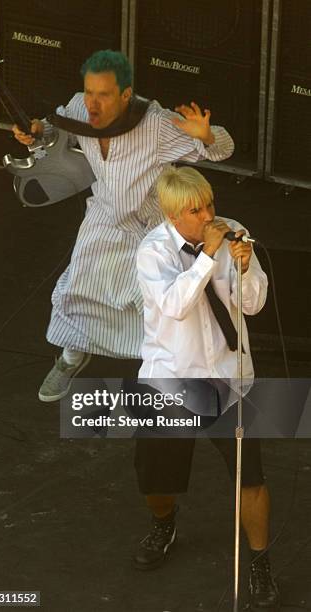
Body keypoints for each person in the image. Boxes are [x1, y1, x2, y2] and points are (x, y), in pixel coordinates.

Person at [12, 49, 234, 402]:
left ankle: (159, 372)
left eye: (104, 95)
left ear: (126, 95)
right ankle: (71, 355)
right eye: (89, 92)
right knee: (79, 287)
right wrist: (37, 132)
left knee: (152, 300)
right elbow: (56, 129)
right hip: (103, 212)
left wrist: (206, 136)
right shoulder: (78, 108)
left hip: (150, 222)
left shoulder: (156, 124)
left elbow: (223, 149)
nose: (93, 103)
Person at [134, 166, 280, 610]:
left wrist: (244, 265)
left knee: (250, 478)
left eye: (209, 204)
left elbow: (253, 304)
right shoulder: (152, 251)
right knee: (156, 481)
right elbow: (177, 305)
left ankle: (260, 560)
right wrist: (206, 257)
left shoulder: (233, 232)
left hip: (228, 378)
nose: (207, 215)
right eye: (195, 210)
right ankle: (165, 523)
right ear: (173, 215)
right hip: (172, 380)